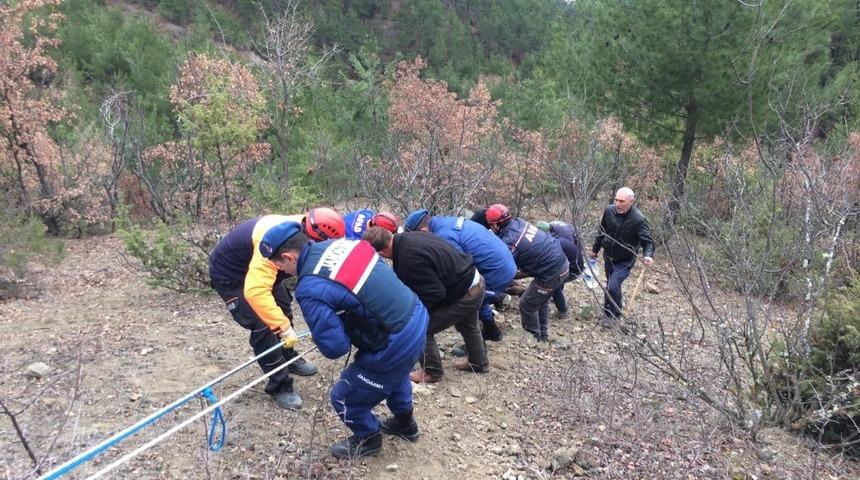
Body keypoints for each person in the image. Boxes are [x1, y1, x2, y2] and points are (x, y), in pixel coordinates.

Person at [263, 221, 429, 459]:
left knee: (343, 397)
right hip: (417, 315)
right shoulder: (347, 243)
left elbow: (335, 347)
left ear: (288, 257)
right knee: (395, 373)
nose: (281, 271)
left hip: (396, 339)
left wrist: (324, 328)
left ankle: (368, 439)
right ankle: (406, 424)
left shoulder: (309, 288)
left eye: (277, 264)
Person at [208, 208, 345, 410]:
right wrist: (282, 328)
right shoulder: (275, 242)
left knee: (283, 307)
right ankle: (279, 384)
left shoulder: (318, 226)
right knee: (264, 324)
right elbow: (255, 291)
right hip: (234, 274)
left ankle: (287, 357)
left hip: (263, 268)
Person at [364, 226, 489, 383]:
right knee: (468, 325)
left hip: (464, 293)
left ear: (381, 253)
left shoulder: (408, 259)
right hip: (472, 280)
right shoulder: (410, 238)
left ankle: (432, 371)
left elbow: (435, 294)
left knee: (421, 327)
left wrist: (414, 312)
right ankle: (479, 363)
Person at [402, 209, 515, 342]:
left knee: (467, 298)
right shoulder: (445, 222)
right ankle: (491, 329)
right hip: (503, 261)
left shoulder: (444, 237)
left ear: (422, 232)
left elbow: (458, 271)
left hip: (496, 270)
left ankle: (489, 331)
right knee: (473, 295)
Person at [485, 204, 569, 341]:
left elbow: (503, 268)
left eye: (490, 225)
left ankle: (533, 339)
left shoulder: (509, 242)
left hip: (552, 272)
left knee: (527, 304)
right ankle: (543, 336)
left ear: (495, 225)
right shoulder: (519, 222)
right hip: (560, 262)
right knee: (539, 300)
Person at [590, 187, 655, 327]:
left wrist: (648, 255)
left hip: (625, 260)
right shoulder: (609, 211)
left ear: (631, 202)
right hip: (608, 256)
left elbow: (647, 242)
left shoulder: (639, 219)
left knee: (612, 286)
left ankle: (611, 316)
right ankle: (616, 307)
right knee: (611, 285)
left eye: (622, 201)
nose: (618, 204)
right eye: (616, 200)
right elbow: (602, 232)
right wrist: (595, 250)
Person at [536, 220, 585, 319]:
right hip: (572, 258)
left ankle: (563, 312)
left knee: (552, 283)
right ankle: (556, 296)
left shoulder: (559, 241)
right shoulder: (553, 228)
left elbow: (557, 263)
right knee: (555, 278)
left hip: (574, 268)